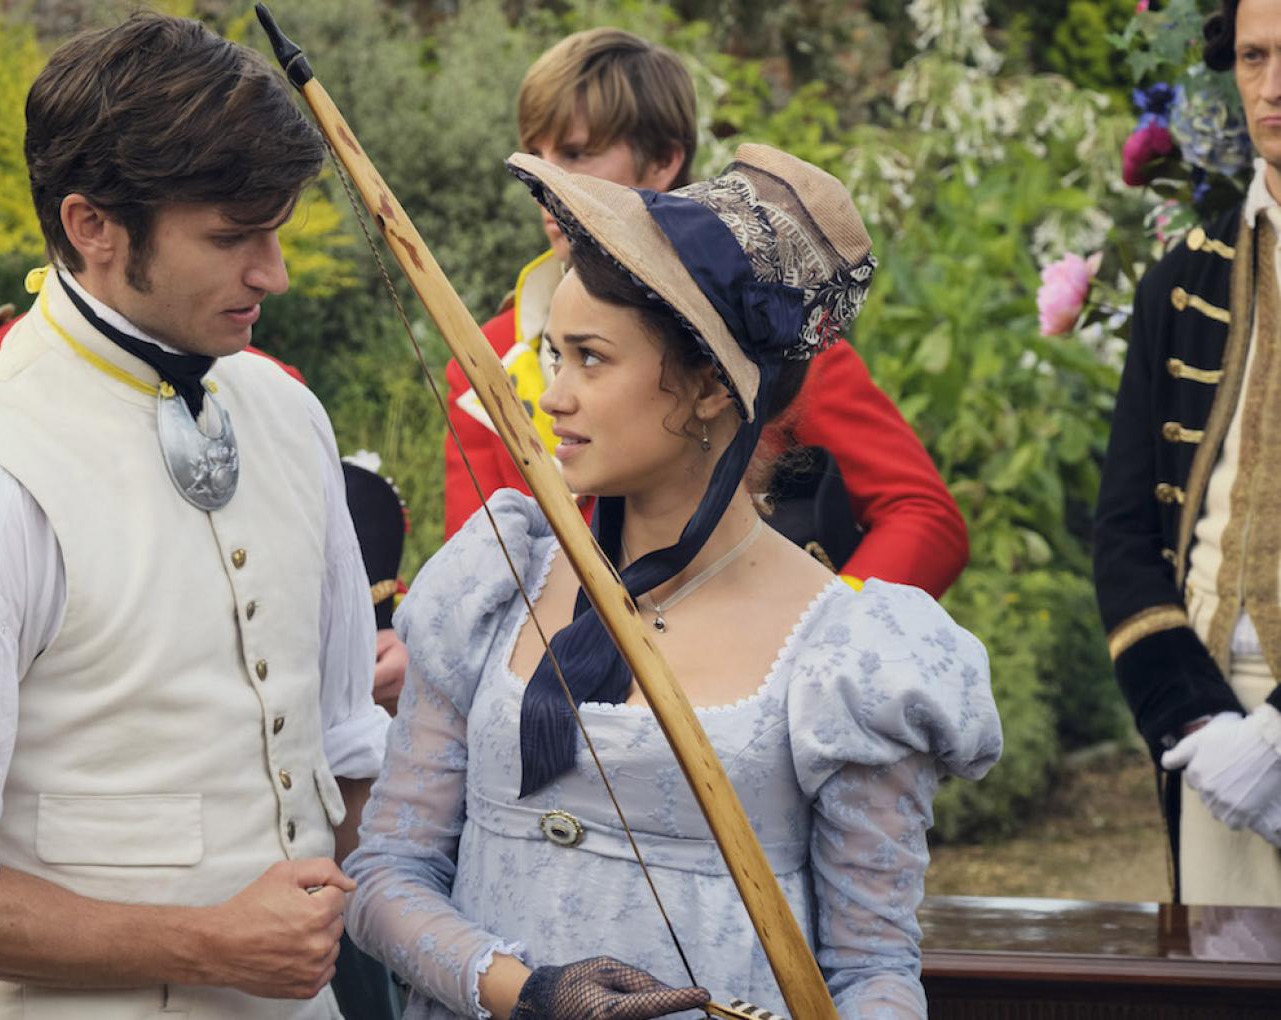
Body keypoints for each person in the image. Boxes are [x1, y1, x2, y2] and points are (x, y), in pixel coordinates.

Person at [0, 14, 392, 1017]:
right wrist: (210, 943)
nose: (274, 273)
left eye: (277, 229)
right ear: (93, 227)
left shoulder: (290, 414)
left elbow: (343, 758)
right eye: (230, 236)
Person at [346, 145, 1001, 1019]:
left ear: (706, 388)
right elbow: (387, 873)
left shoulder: (847, 653)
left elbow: (873, 970)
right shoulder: (492, 584)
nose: (550, 396)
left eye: (590, 359)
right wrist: (530, 993)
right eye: (551, 353)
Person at [444, 28, 969, 598]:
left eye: (575, 152)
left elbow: (924, 518)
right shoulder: (487, 352)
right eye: (538, 153)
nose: (548, 183)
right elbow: (476, 567)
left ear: (665, 160)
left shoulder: (762, 338)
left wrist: (814, 642)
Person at [1095, 0, 1281, 907]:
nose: (1273, 87)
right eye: (1254, 57)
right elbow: (1126, 533)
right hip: (1213, 724)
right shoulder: (1179, 283)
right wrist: (1198, 723)